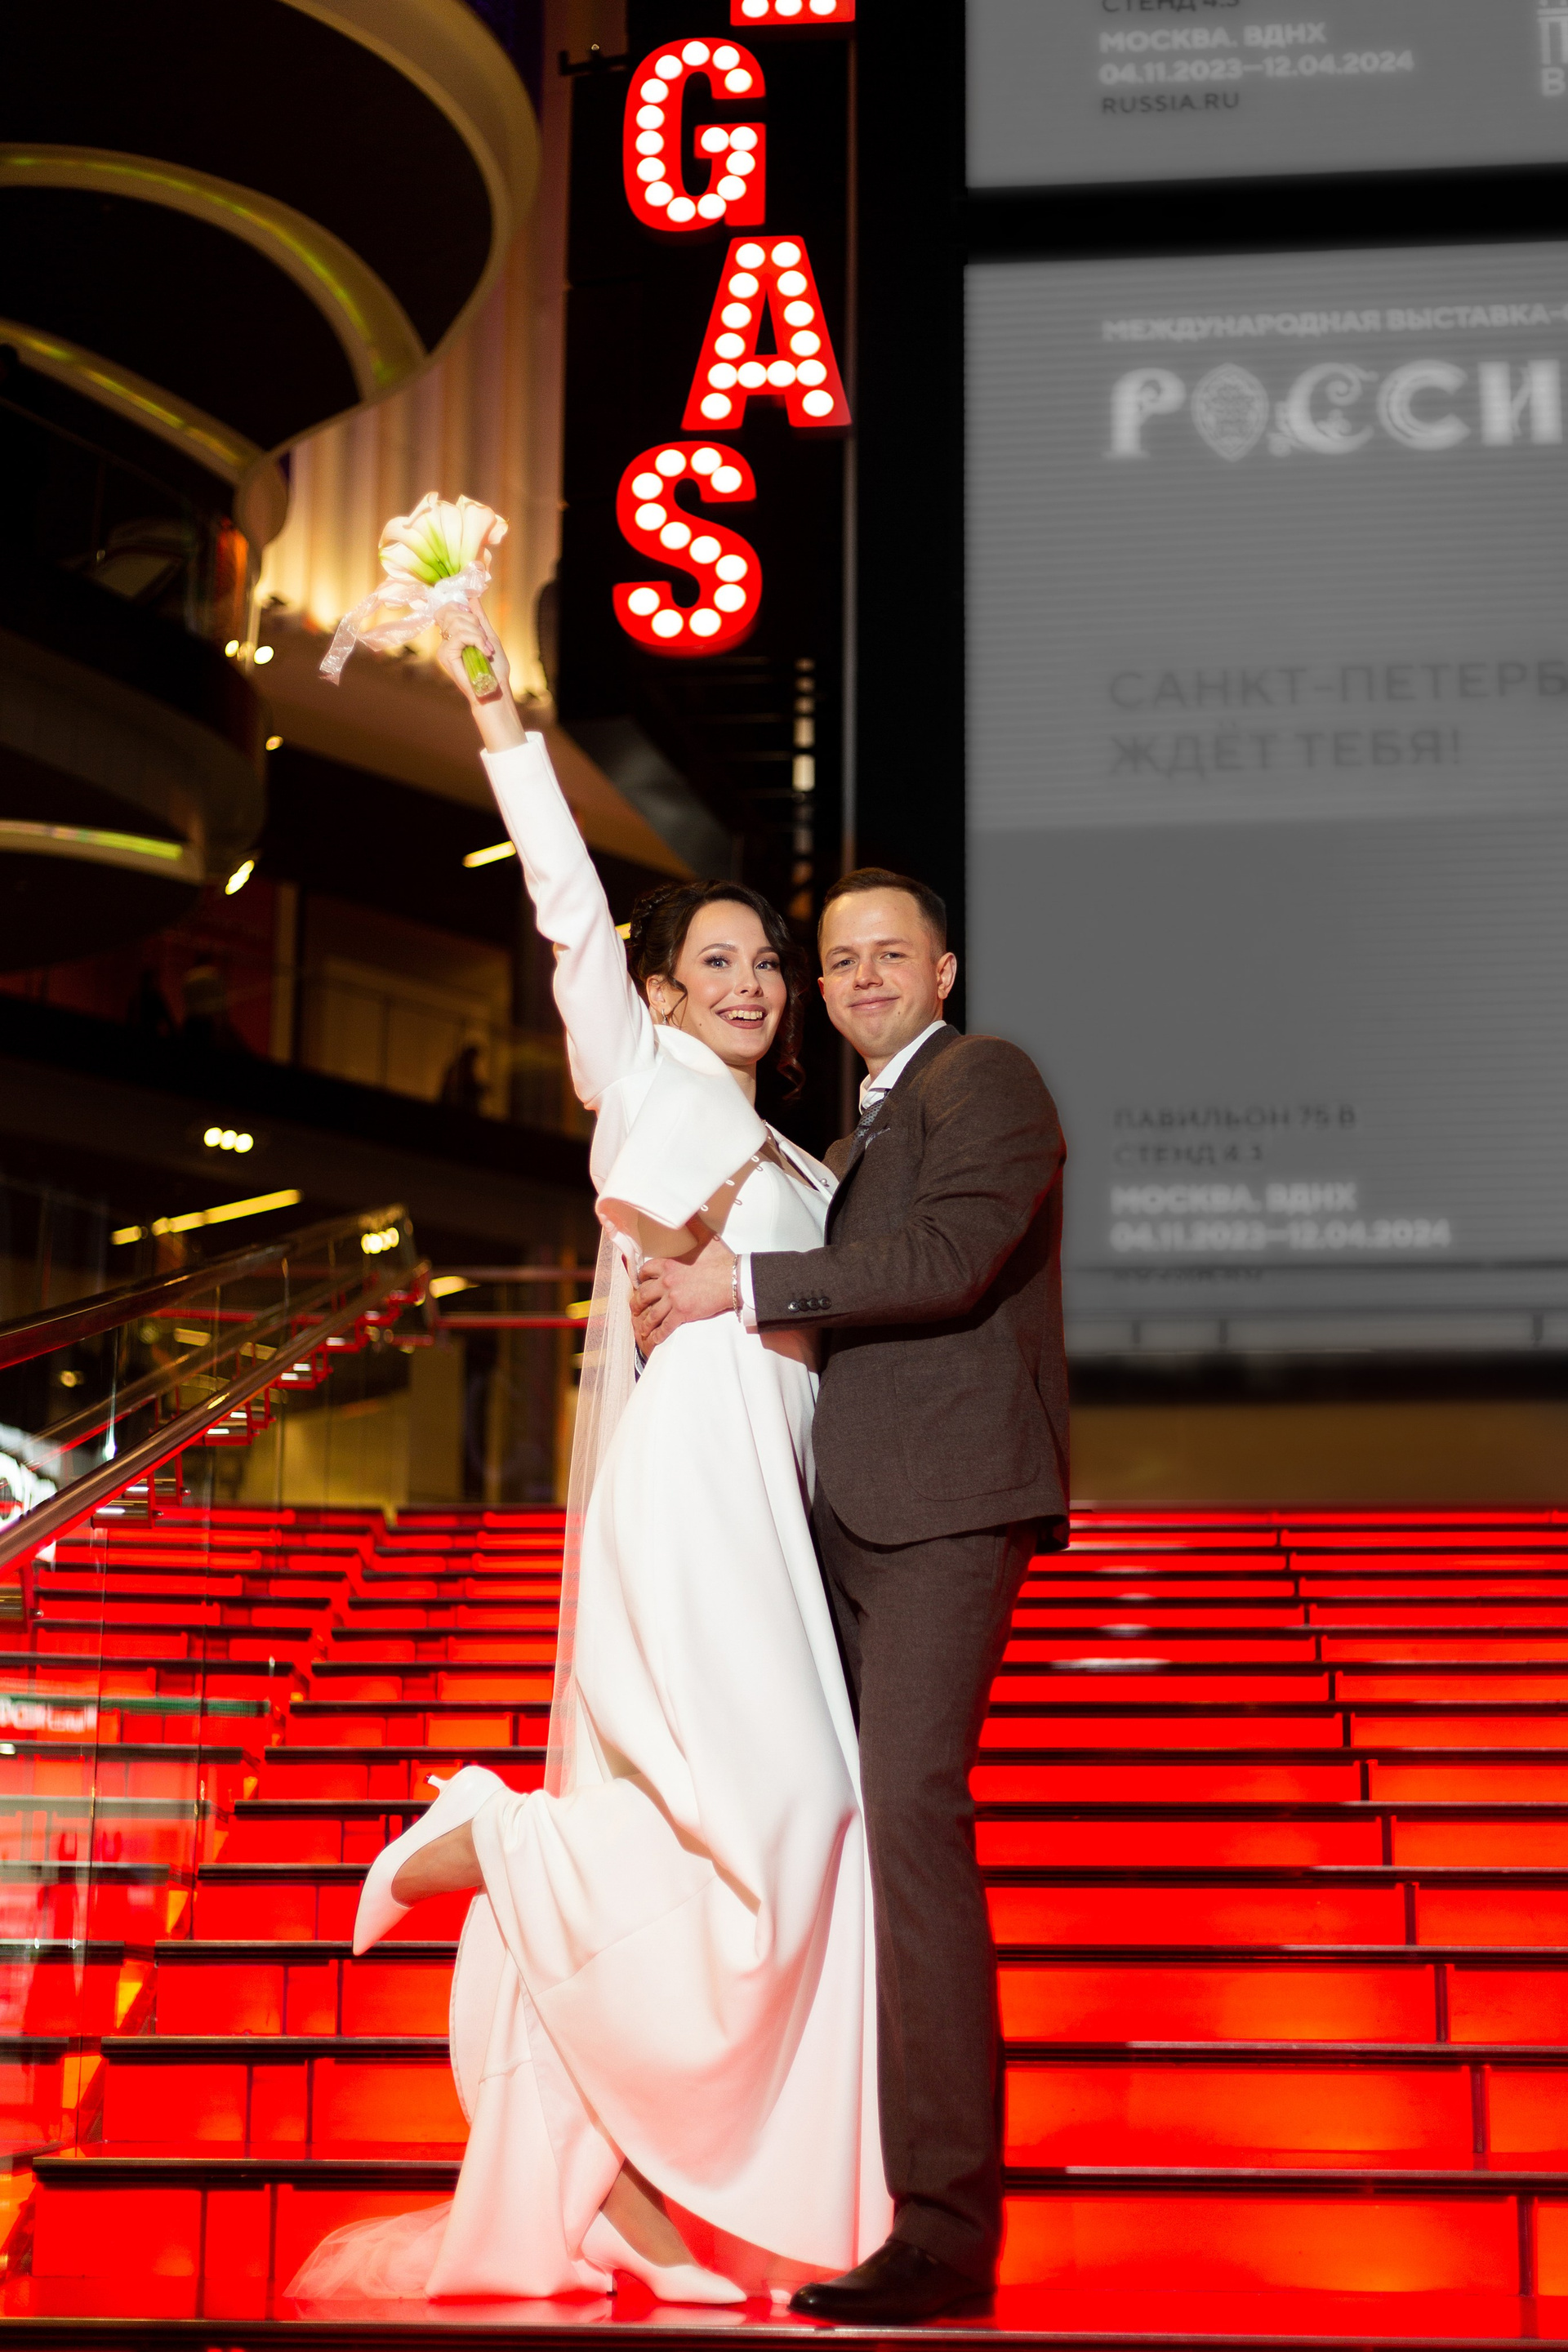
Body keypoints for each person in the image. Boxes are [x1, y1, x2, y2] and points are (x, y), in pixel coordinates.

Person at [287, 602, 889, 2308]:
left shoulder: (802, 1155)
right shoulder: (640, 1075)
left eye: (768, 967)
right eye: (721, 964)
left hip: (777, 1491)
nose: (754, 985)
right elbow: (562, 897)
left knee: (744, 1827)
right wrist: (496, 707)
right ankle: (502, 1836)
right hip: (690, 1480)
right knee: (790, 1811)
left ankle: (615, 2186)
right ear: (662, 990)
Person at [632, 870, 1069, 2323]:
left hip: (947, 1507)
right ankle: (846, 2180)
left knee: (912, 1824)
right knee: (836, 1835)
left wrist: (741, 1285)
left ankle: (945, 2229)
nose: (863, 975)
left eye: (894, 953)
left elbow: (947, 1262)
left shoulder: (986, 1080)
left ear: (944, 974)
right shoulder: (843, 1145)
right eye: (839, 960)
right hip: (841, 1523)